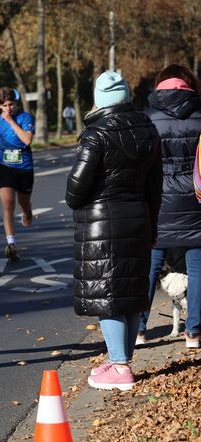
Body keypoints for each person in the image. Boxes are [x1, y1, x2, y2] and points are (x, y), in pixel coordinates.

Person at [66, 71, 162, 391]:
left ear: (100, 100)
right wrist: (152, 224)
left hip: (101, 224)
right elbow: (155, 185)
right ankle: (122, 360)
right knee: (131, 293)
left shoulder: (97, 134)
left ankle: (119, 367)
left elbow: (75, 190)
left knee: (107, 294)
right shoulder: (148, 129)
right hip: (139, 218)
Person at [138, 64, 201, 349]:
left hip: (158, 199)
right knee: (198, 266)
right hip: (196, 199)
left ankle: (138, 330)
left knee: (150, 265)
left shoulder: (147, 118)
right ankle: (194, 331)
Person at [0, 87, 35, 261]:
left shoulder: (25, 118)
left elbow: (27, 140)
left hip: (24, 167)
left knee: (23, 203)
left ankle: (27, 211)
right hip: (5, 165)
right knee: (7, 204)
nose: (9, 108)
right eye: (5, 105)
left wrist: (11, 121)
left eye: (11, 104)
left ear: (16, 103)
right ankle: (11, 243)